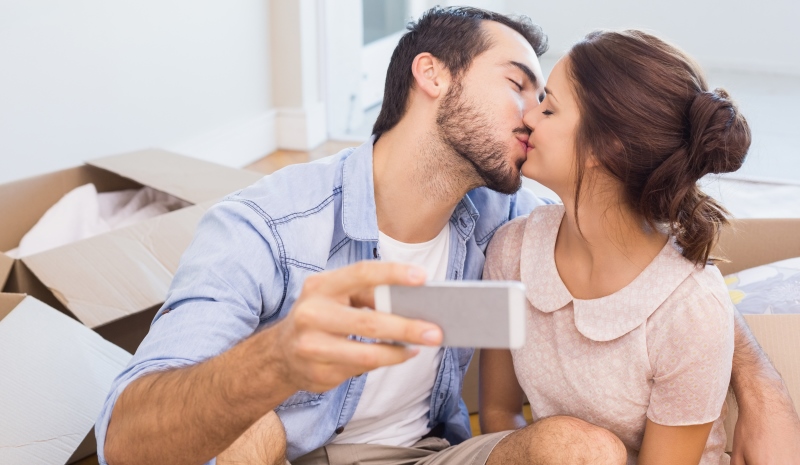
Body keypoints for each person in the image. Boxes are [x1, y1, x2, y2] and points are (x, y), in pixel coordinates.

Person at [97, 7, 800, 465]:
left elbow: (655, 277)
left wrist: (759, 387)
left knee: (578, 448)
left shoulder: (506, 217)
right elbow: (124, 438)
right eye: (520, 85)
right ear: (431, 73)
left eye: (547, 101)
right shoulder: (265, 226)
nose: (533, 114)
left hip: (434, 454)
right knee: (248, 432)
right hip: (296, 449)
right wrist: (275, 362)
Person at [479, 29, 799, 465]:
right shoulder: (511, 250)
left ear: (606, 146)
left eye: (549, 108)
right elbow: (500, 413)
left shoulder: (689, 310)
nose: (528, 118)